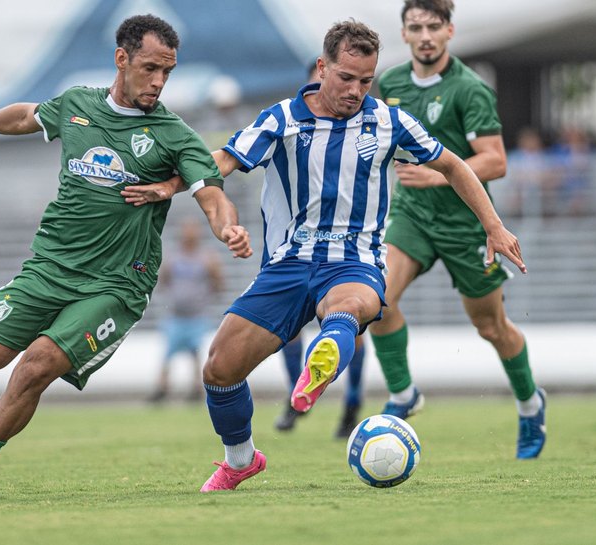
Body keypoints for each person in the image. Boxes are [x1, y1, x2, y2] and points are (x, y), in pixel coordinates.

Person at [123, 19, 527, 491]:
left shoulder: (388, 121)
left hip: (354, 261)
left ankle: (328, 348)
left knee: (350, 306)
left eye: (366, 81)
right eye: (346, 78)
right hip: (288, 264)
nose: (356, 90)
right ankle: (240, 459)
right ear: (322, 67)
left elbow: (454, 164)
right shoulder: (282, 119)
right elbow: (225, 160)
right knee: (219, 366)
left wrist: (494, 226)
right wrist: (170, 186)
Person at [0, 14, 252, 502]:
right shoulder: (78, 105)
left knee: (36, 365)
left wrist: (226, 225)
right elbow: (27, 116)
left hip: (116, 285)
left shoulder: (172, 134)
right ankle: (33, 329)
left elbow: (209, 190)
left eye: (167, 71)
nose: (159, 81)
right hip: (50, 268)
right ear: (121, 59)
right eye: (150, 68)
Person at [369, 0, 546, 460]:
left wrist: (438, 173)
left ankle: (530, 404)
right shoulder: (388, 83)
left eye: (433, 26)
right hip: (411, 216)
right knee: (375, 299)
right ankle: (404, 394)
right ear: (404, 33)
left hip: (467, 225)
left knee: (490, 326)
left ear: (449, 31)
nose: (425, 35)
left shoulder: (469, 89)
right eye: (416, 27)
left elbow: (496, 160)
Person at [273, 59, 367, 438]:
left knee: (351, 324)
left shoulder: (367, 125)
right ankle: (298, 393)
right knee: (289, 330)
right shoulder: (290, 123)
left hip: (349, 248)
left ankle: (352, 403)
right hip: (294, 247)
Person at [148, 218, 224, 403]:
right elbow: (163, 279)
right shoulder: (174, 257)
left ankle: (196, 389)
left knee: (196, 354)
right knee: (168, 354)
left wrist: (202, 297)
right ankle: (162, 388)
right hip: (176, 315)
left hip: (197, 315)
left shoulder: (207, 257)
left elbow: (218, 282)